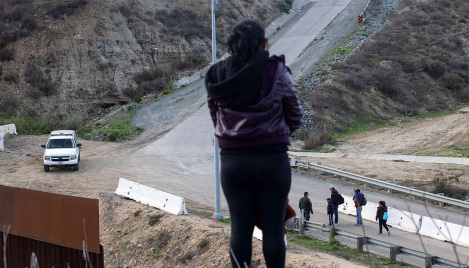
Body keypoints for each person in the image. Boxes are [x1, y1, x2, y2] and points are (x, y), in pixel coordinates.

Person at [205, 19, 303, 268]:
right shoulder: (276, 71)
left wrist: (232, 138)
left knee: (240, 230)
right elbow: (295, 114)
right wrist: (278, 135)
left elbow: (215, 116)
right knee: (272, 230)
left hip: (233, 163)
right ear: (263, 43)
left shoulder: (217, 75)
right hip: (272, 161)